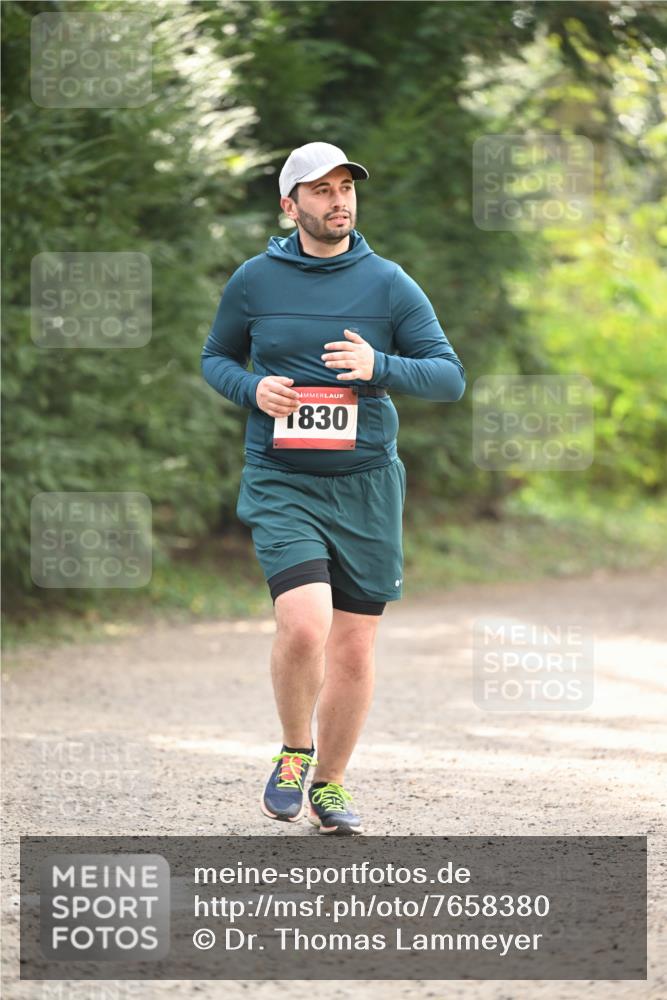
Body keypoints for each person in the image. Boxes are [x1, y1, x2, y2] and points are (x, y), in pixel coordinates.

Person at [201, 141, 465, 835]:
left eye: (345, 186)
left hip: (366, 486)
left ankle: (330, 784)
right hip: (282, 478)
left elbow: (447, 375)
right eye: (319, 190)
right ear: (290, 205)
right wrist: (253, 387)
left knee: (351, 647)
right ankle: (294, 750)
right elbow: (216, 358)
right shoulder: (256, 280)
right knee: (304, 624)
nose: (337, 199)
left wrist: (377, 364)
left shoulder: (387, 283)